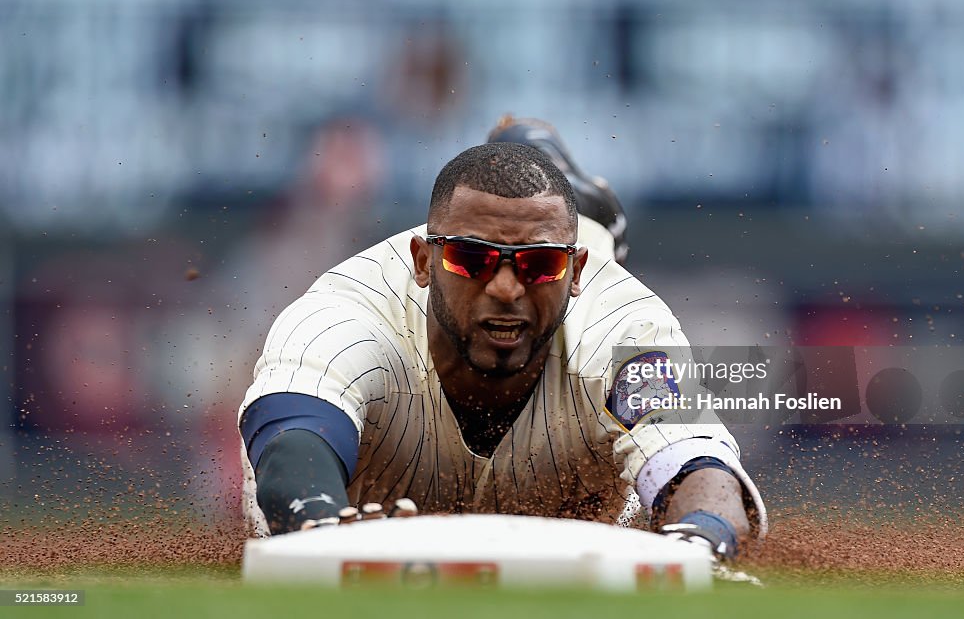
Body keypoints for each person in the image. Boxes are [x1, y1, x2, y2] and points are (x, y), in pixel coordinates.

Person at [238, 127, 766, 560]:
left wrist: (699, 543)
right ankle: (580, 218)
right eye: (472, 259)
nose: (506, 288)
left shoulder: (623, 323)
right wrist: (315, 524)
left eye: (540, 264)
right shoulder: (354, 310)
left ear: (576, 270)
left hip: (574, 540)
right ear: (423, 261)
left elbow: (696, 466)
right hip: (360, 523)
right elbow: (293, 434)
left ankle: (586, 224)